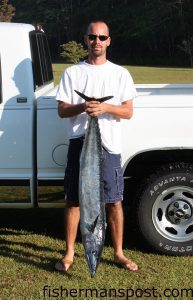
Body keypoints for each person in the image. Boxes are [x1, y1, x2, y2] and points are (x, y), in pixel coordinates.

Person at [54, 20, 138, 273]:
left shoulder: (120, 73)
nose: (97, 41)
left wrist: (104, 107)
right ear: (85, 39)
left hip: (109, 146)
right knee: (73, 200)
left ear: (108, 40)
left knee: (114, 201)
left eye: (102, 37)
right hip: (80, 144)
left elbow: (127, 111)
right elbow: (62, 110)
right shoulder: (72, 73)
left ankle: (119, 253)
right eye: (93, 37)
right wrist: (84, 106)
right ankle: (69, 254)